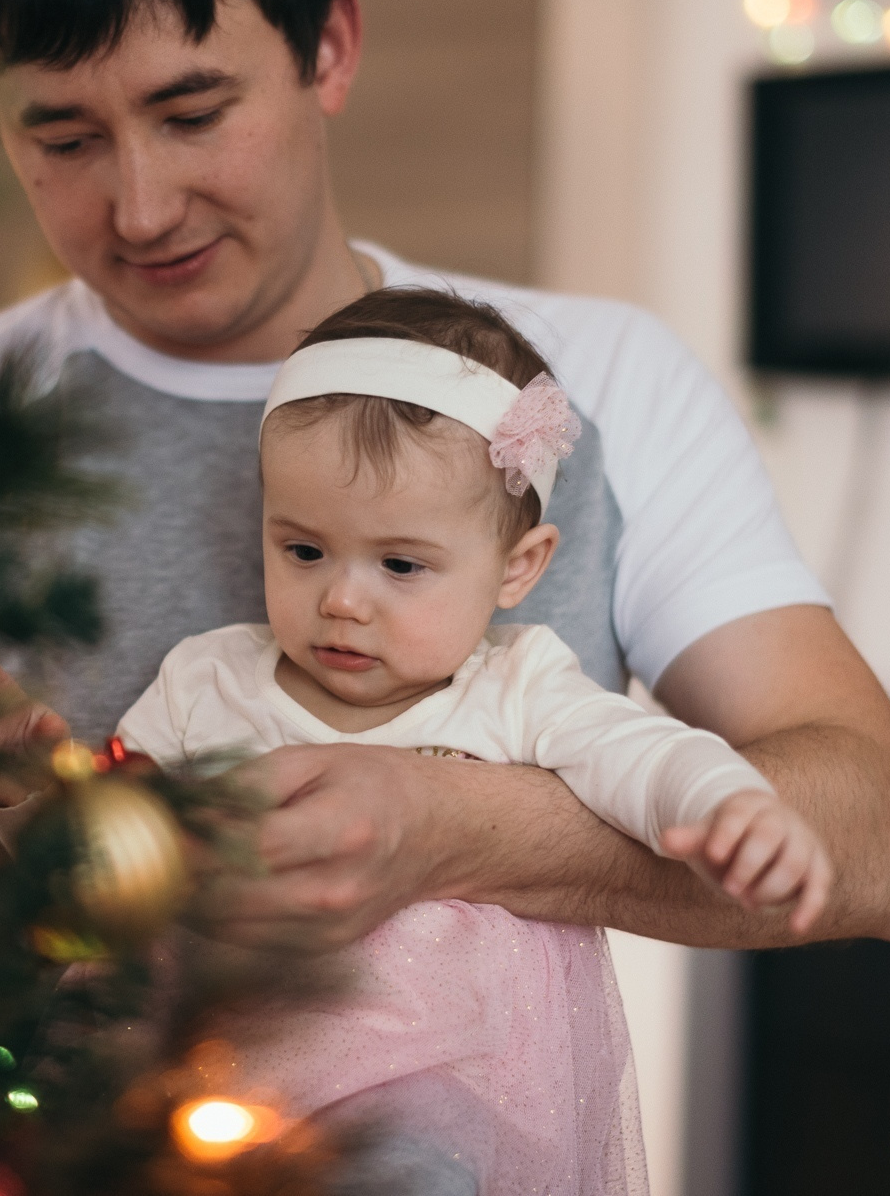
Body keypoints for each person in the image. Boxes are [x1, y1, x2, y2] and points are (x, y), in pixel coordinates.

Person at [0, 0, 890, 959]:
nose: (140, 209)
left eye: (193, 114)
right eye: (63, 141)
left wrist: (454, 829)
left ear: (327, 47)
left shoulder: (595, 383)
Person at [106, 288, 832, 1191]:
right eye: (303, 551)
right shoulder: (206, 680)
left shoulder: (519, 689)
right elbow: (101, 830)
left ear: (517, 567)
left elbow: (640, 755)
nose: (343, 599)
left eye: (400, 564)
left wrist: (728, 805)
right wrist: (22, 786)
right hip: (220, 1065)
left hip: (445, 1094)